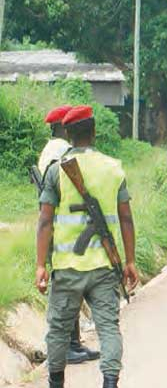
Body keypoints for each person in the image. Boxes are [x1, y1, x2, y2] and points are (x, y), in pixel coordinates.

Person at [35, 105, 138, 388]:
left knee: (57, 331)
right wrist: (130, 261)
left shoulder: (56, 171)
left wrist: (41, 265)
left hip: (67, 268)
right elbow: (126, 218)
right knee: (108, 329)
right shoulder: (113, 167)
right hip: (105, 267)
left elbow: (44, 220)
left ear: (68, 134)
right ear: (94, 132)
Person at [38, 105, 102, 366]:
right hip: (62, 226)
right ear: (65, 128)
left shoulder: (51, 148)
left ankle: (74, 344)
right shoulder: (61, 151)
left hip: (58, 224)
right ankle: (68, 346)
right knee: (68, 286)